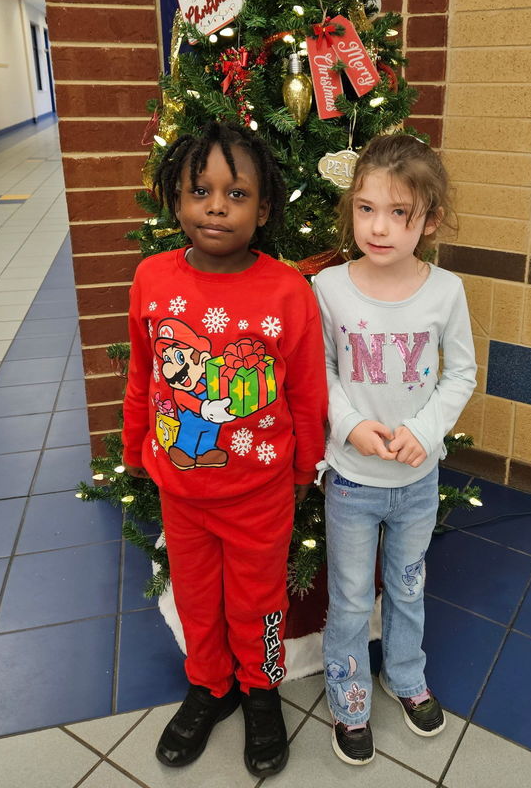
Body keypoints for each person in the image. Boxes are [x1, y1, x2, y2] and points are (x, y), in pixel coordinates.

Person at [122, 120, 328, 778]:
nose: (216, 206)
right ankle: (209, 685)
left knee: (259, 600)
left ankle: (261, 688)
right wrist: (136, 449)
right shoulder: (152, 279)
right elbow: (141, 376)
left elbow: (306, 391)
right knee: (195, 597)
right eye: (200, 190)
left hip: (261, 497)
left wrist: (303, 469)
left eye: (236, 194)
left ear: (264, 208)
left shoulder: (287, 291)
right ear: (176, 200)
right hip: (182, 492)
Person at [313, 133, 477, 765]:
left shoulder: (446, 291)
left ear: (428, 219)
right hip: (352, 479)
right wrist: (350, 424)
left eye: (398, 213)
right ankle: (347, 692)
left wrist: (426, 430)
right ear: (351, 208)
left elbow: (461, 372)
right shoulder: (329, 288)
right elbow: (319, 370)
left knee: (408, 585)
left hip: (416, 481)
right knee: (352, 595)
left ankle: (405, 675)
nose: (378, 228)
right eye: (365, 209)